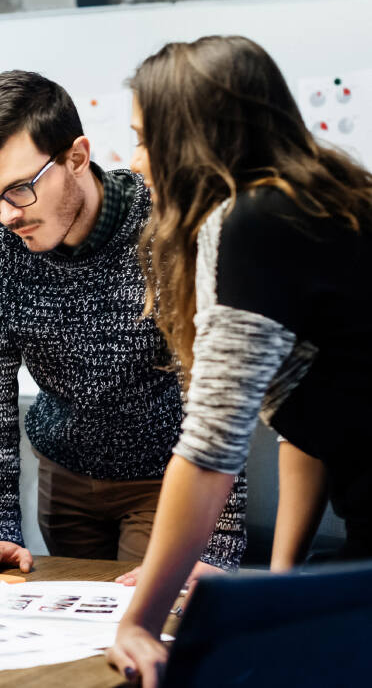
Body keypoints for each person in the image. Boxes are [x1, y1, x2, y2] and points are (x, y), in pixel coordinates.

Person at [108, 35, 372, 686]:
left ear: (190, 137)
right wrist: (285, 589)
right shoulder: (327, 197)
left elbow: (208, 453)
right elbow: (307, 425)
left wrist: (138, 622)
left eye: (145, 139)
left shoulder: (257, 220)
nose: (138, 161)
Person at [0, 70, 246, 580]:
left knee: (146, 625)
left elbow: (215, 387)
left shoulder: (164, 227)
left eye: (19, 189)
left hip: (165, 477)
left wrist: (216, 547)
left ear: (77, 157)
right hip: (64, 474)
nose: (4, 215)